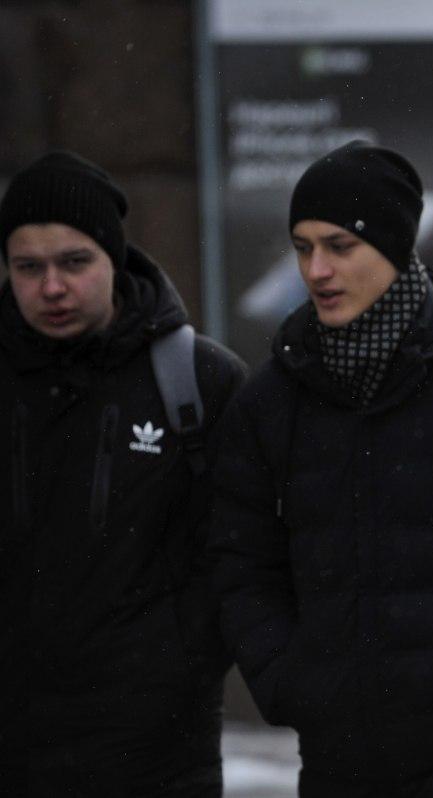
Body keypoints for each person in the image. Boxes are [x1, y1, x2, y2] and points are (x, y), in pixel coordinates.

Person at [209, 141, 433, 798]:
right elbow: (240, 562)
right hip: (337, 757)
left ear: (396, 246)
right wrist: (289, 679)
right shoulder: (270, 404)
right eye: (303, 248)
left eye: (340, 246)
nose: (316, 269)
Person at [0, 152, 246, 796]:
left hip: (157, 755)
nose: (52, 287)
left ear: (114, 258)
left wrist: (177, 663)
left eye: (74, 262)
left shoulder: (200, 382)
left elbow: (240, 552)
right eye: (29, 267)